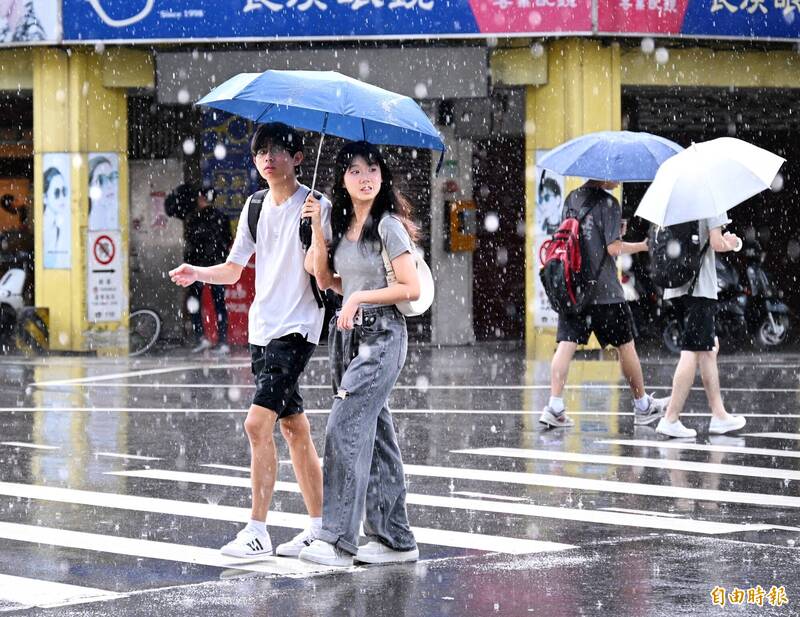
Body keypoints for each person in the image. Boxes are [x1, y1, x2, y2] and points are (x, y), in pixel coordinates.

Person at [169, 122, 332, 559]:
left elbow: (322, 273)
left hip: (297, 328)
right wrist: (198, 272)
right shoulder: (254, 206)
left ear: (298, 158)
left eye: (279, 149)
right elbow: (234, 267)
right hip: (263, 330)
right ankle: (319, 526)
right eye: (262, 151)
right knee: (294, 428)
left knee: (255, 424)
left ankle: (257, 530)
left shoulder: (317, 205)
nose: (268, 157)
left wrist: (316, 225)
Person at [298, 141, 420, 568]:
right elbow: (329, 280)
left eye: (371, 168)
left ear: (383, 176)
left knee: (344, 426)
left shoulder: (389, 226)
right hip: (348, 338)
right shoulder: (345, 225)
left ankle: (336, 540)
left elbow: (411, 288)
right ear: (342, 180)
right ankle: (395, 539)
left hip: (382, 334)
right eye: (354, 170)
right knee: (377, 435)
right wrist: (316, 227)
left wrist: (360, 299)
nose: (364, 176)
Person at [540, 180, 670, 429]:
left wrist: (608, 231)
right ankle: (642, 406)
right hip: (605, 291)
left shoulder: (572, 198)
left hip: (575, 288)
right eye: (615, 175)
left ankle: (554, 406)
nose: (619, 181)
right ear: (604, 174)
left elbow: (579, 238)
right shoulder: (609, 204)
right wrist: (643, 245)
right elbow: (613, 249)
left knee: (566, 345)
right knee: (626, 346)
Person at [656, 214, 746, 438]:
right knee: (693, 350)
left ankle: (719, 415)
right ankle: (671, 418)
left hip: (677, 286)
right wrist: (733, 243)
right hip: (700, 288)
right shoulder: (710, 199)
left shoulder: (677, 198)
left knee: (707, 349)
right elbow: (716, 243)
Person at [183, 186, 232, 354]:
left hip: (198, 266)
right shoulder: (221, 217)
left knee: (196, 303)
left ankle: (201, 337)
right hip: (215, 266)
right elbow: (227, 240)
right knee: (219, 304)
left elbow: (192, 241)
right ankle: (222, 341)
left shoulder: (194, 218)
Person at [42, 166, 70, 269]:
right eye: (57, 193)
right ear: (45, 198)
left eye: (64, 191)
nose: (62, 198)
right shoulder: (44, 228)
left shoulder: (58, 226)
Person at [88, 155, 119, 231]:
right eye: (101, 180)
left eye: (112, 177)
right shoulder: (90, 225)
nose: (109, 185)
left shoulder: (116, 220)